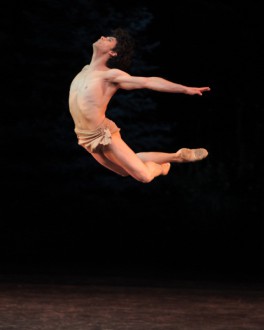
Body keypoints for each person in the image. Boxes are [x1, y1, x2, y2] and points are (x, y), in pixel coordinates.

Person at [69, 28, 211, 183]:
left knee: (144, 176)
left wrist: (184, 89)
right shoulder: (84, 71)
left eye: (109, 40)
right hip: (84, 136)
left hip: (103, 135)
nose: (103, 37)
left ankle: (162, 168)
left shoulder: (110, 76)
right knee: (124, 170)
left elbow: (148, 81)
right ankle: (177, 156)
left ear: (113, 53)